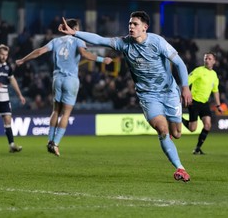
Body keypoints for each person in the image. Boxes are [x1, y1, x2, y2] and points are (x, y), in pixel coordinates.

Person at [58, 11, 193, 182]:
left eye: (135, 24)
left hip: (169, 92)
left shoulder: (157, 42)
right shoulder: (124, 43)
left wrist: (185, 87)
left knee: (177, 133)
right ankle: (180, 168)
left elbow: (179, 63)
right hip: (147, 95)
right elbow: (100, 40)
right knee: (163, 130)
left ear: (145, 27)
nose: (131, 27)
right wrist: (74, 33)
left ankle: (171, 131)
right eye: (130, 24)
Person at [16, 19, 112, 157]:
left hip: (57, 79)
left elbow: (39, 52)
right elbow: (85, 55)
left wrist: (23, 60)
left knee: (56, 111)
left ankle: (49, 140)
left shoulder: (56, 41)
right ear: (75, 28)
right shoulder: (78, 40)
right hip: (71, 80)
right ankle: (55, 144)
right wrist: (103, 60)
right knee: (65, 114)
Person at [182, 52, 222, 155]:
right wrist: (184, 94)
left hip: (204, 103)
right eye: (205, 58)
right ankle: (179, 117)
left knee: (207, 125)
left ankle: (197, 148)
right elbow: (186, 81)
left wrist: (218, 105)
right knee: (192, 129)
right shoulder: (199, 71)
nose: (207, 60)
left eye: (209, 59)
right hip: (194, 101)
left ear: (214, 61)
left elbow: (215, 91)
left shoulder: (214, 75)